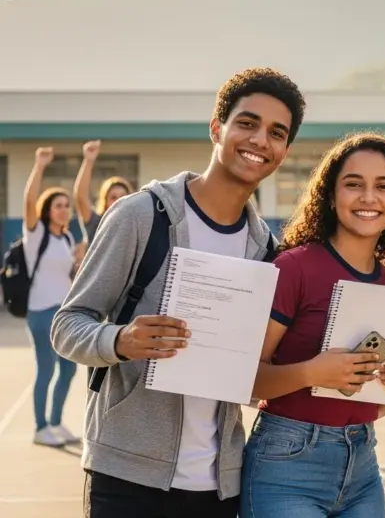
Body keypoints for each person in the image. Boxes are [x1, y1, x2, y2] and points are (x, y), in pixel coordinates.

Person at [51, 67, 305, 517]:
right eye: (247, 123)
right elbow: (67, 325)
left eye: (276, 133)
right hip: (127, 476)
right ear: (216, 128)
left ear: (284, 150)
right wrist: (120, 341)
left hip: (220, 484)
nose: (260, 140)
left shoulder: (266, 250)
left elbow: (258, 366)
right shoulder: (140, 217)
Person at [241, 133, 385, 517]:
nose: (368, 197)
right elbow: (243, 377)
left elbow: (377, 406)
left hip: (363, 466)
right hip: (286, 462)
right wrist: (311, 371)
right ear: (330, 195)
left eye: (383, 187)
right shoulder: (294, 268)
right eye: (354, 184)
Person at [22, 146, 84, 447]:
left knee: (69, 368)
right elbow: (29, 200)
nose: (64, 209)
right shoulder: (36, 234)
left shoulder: (66, 237)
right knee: (45, 370)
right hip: (40, 312)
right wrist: (39, 166)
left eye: (66, 205)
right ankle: (40, 426)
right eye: (58, 205)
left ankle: (56, 422)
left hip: (62, 313)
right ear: (47, 210)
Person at [73, 139, 134, 244]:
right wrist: (88, 160)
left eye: (123, 196)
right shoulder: (96, 223)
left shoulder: (135, 227)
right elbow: (81, 197)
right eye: (113, 197)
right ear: (105, 201)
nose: (118, 201)